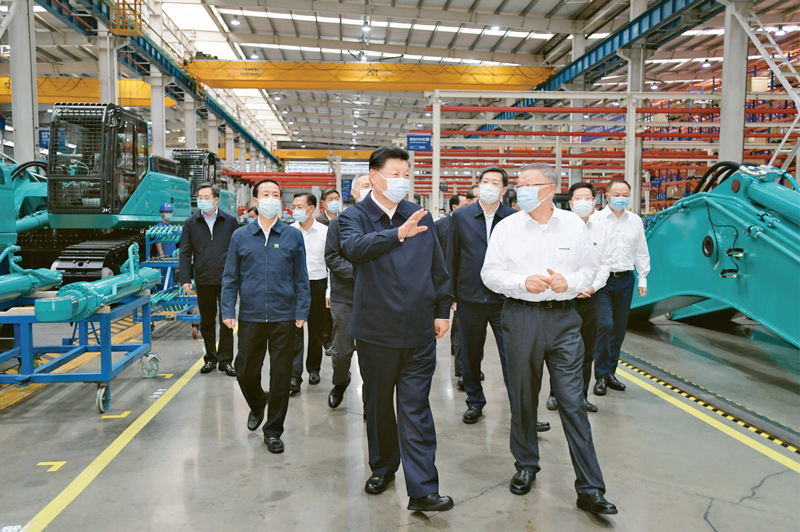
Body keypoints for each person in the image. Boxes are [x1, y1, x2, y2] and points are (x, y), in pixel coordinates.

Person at [481, 162, 616, 515]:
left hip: (564, 320)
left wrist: (569, 282)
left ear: (549, 189)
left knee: (573, 402)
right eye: (519, 185)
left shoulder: (572, 225)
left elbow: (589, 269)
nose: (520, 190)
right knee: (523, 396)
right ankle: (526, 464)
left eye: (528, 184)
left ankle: (590, 488)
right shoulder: (507, 227)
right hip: (520, 317)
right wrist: (521, 282)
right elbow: (489, 273)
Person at [339, 146, 454, 513]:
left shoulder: (419, 215)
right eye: (395, 174)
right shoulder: (354, 217)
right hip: (376, 332)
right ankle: (383, 467)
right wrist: (396, 235)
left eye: (406, 174)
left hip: (419, 330)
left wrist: (442, 309)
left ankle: (422, 489)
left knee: (416, 408)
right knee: (378, 406)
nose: (403, 180)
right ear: (374, 177)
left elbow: (437, 265)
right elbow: (353, 249)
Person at [448, 167, 550, 428]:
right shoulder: (461, 217)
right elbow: (452, 256)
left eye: (495, 182)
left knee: (514, 355)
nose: (489, 186)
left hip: (506, 298)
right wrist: (451, 294)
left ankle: (521, 410)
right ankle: (474, 401)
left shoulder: (515, 218)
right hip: (469, 297)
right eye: (485, 181)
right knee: (470, 354)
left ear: (504, 190)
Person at [221, 179, 310, 454]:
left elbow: (301, 277)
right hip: (251, 315)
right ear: (256, 202)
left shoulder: (293, 236)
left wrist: (302, 310)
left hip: (284, 316)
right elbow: (230, 277)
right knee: (245, 370)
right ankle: (258, 401)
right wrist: (228, 310)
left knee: (281, 376)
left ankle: (273, 431)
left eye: (275, 194)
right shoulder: (241, 236)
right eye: (266, 194)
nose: (271, 198)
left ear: (279, 201)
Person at [546, 182, 610, 413]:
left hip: (591, 297)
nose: (583, 202)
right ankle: (555, 394)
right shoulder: (558, 227)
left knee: (586, 349)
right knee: (559, 349)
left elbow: (605, 264)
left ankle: (580, 397)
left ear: (595, 201)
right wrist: (571, 285)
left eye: (588, 198)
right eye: (578, 198)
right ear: (571, 203)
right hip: (564, 298)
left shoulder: (602, 229)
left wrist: (591, 287)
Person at [592, 179, 650, 396]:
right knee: (605, 325)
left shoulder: (635, 221)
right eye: (616, 194)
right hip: (603, 280)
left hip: (626, 279)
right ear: (607, 195)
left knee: (618, 328)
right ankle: (600, 374)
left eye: (625, 194)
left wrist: (642, 278)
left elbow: (641, 251)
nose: (620, 198)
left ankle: (610, 373)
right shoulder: (596, 220)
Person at [180, 183, 239, 376]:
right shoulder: (191, 223)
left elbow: (239, 250)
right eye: (200, 197)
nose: (202, 201)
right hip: (204, 278)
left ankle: (225, 361)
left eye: (206, 197)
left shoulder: (230, 221)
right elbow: (185, 252)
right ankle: (211, 358)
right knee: (207, 322)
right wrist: (185, 278)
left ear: (215, 199)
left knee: (227, 320)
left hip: (227, 280)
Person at [324, 174, 370, 409]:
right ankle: (340, 382)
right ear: (354, 192)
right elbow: (332, 257)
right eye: (365, 186)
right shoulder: (339, 223)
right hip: (345, 297)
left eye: (373, 185)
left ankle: (370, 398)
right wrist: (362, 273)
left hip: (376, 298)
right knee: (342, 352)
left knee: (371, 353)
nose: (369, 189)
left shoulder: (383, 222)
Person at [290, 192, 329, 394]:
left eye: (300, 206)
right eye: (294, 206)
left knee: (316, 330)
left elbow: (331, 263)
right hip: (294, 287)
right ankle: (294, 375)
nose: (295, 210)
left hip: (317, 285)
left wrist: (329, 290)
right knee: (294, 331)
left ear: (311, 208)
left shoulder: (325, 232)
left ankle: (314, 368)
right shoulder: (289, 231)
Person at [435, 194, 468, 388]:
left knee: (460, 325)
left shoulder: (468, 224)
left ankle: (462, 369)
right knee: (443, 321)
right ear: (455, 207)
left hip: (460, 281)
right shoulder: (439, 226)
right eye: (465, 204)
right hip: (441, 280)